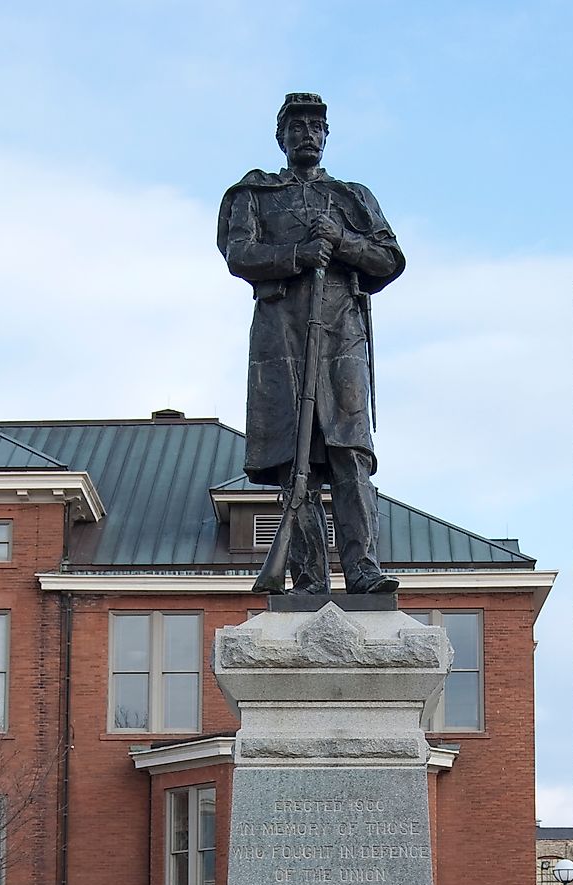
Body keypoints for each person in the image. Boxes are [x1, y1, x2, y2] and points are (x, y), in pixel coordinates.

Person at [218, 92, 405, 594]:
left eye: (316, 127)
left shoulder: (352, 198)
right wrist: (300, 253)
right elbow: (239, 254)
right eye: (297, 126)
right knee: (294, 463)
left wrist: (341, 240)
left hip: (341, 336)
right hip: (282, 341)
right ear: (281, 137)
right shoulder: (255, 195)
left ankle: (362, 569)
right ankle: (307, 578)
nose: (308, 134)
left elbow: (388, 259)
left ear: (326, 137)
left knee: (350, 455)